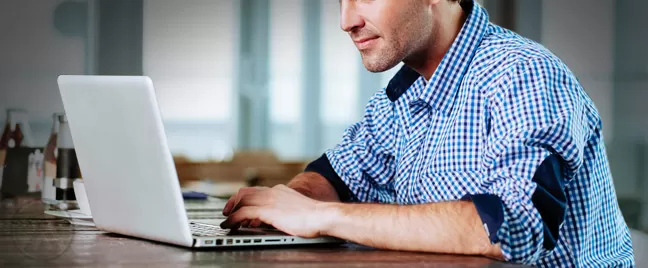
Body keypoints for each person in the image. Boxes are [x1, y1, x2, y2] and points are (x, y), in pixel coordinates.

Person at [220, 0, 635, 266]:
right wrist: (285, 206)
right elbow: (336, 176)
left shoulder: (522, 74)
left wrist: (318, 216)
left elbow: (516, 227)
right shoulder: (402, 92)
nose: (347, 20)